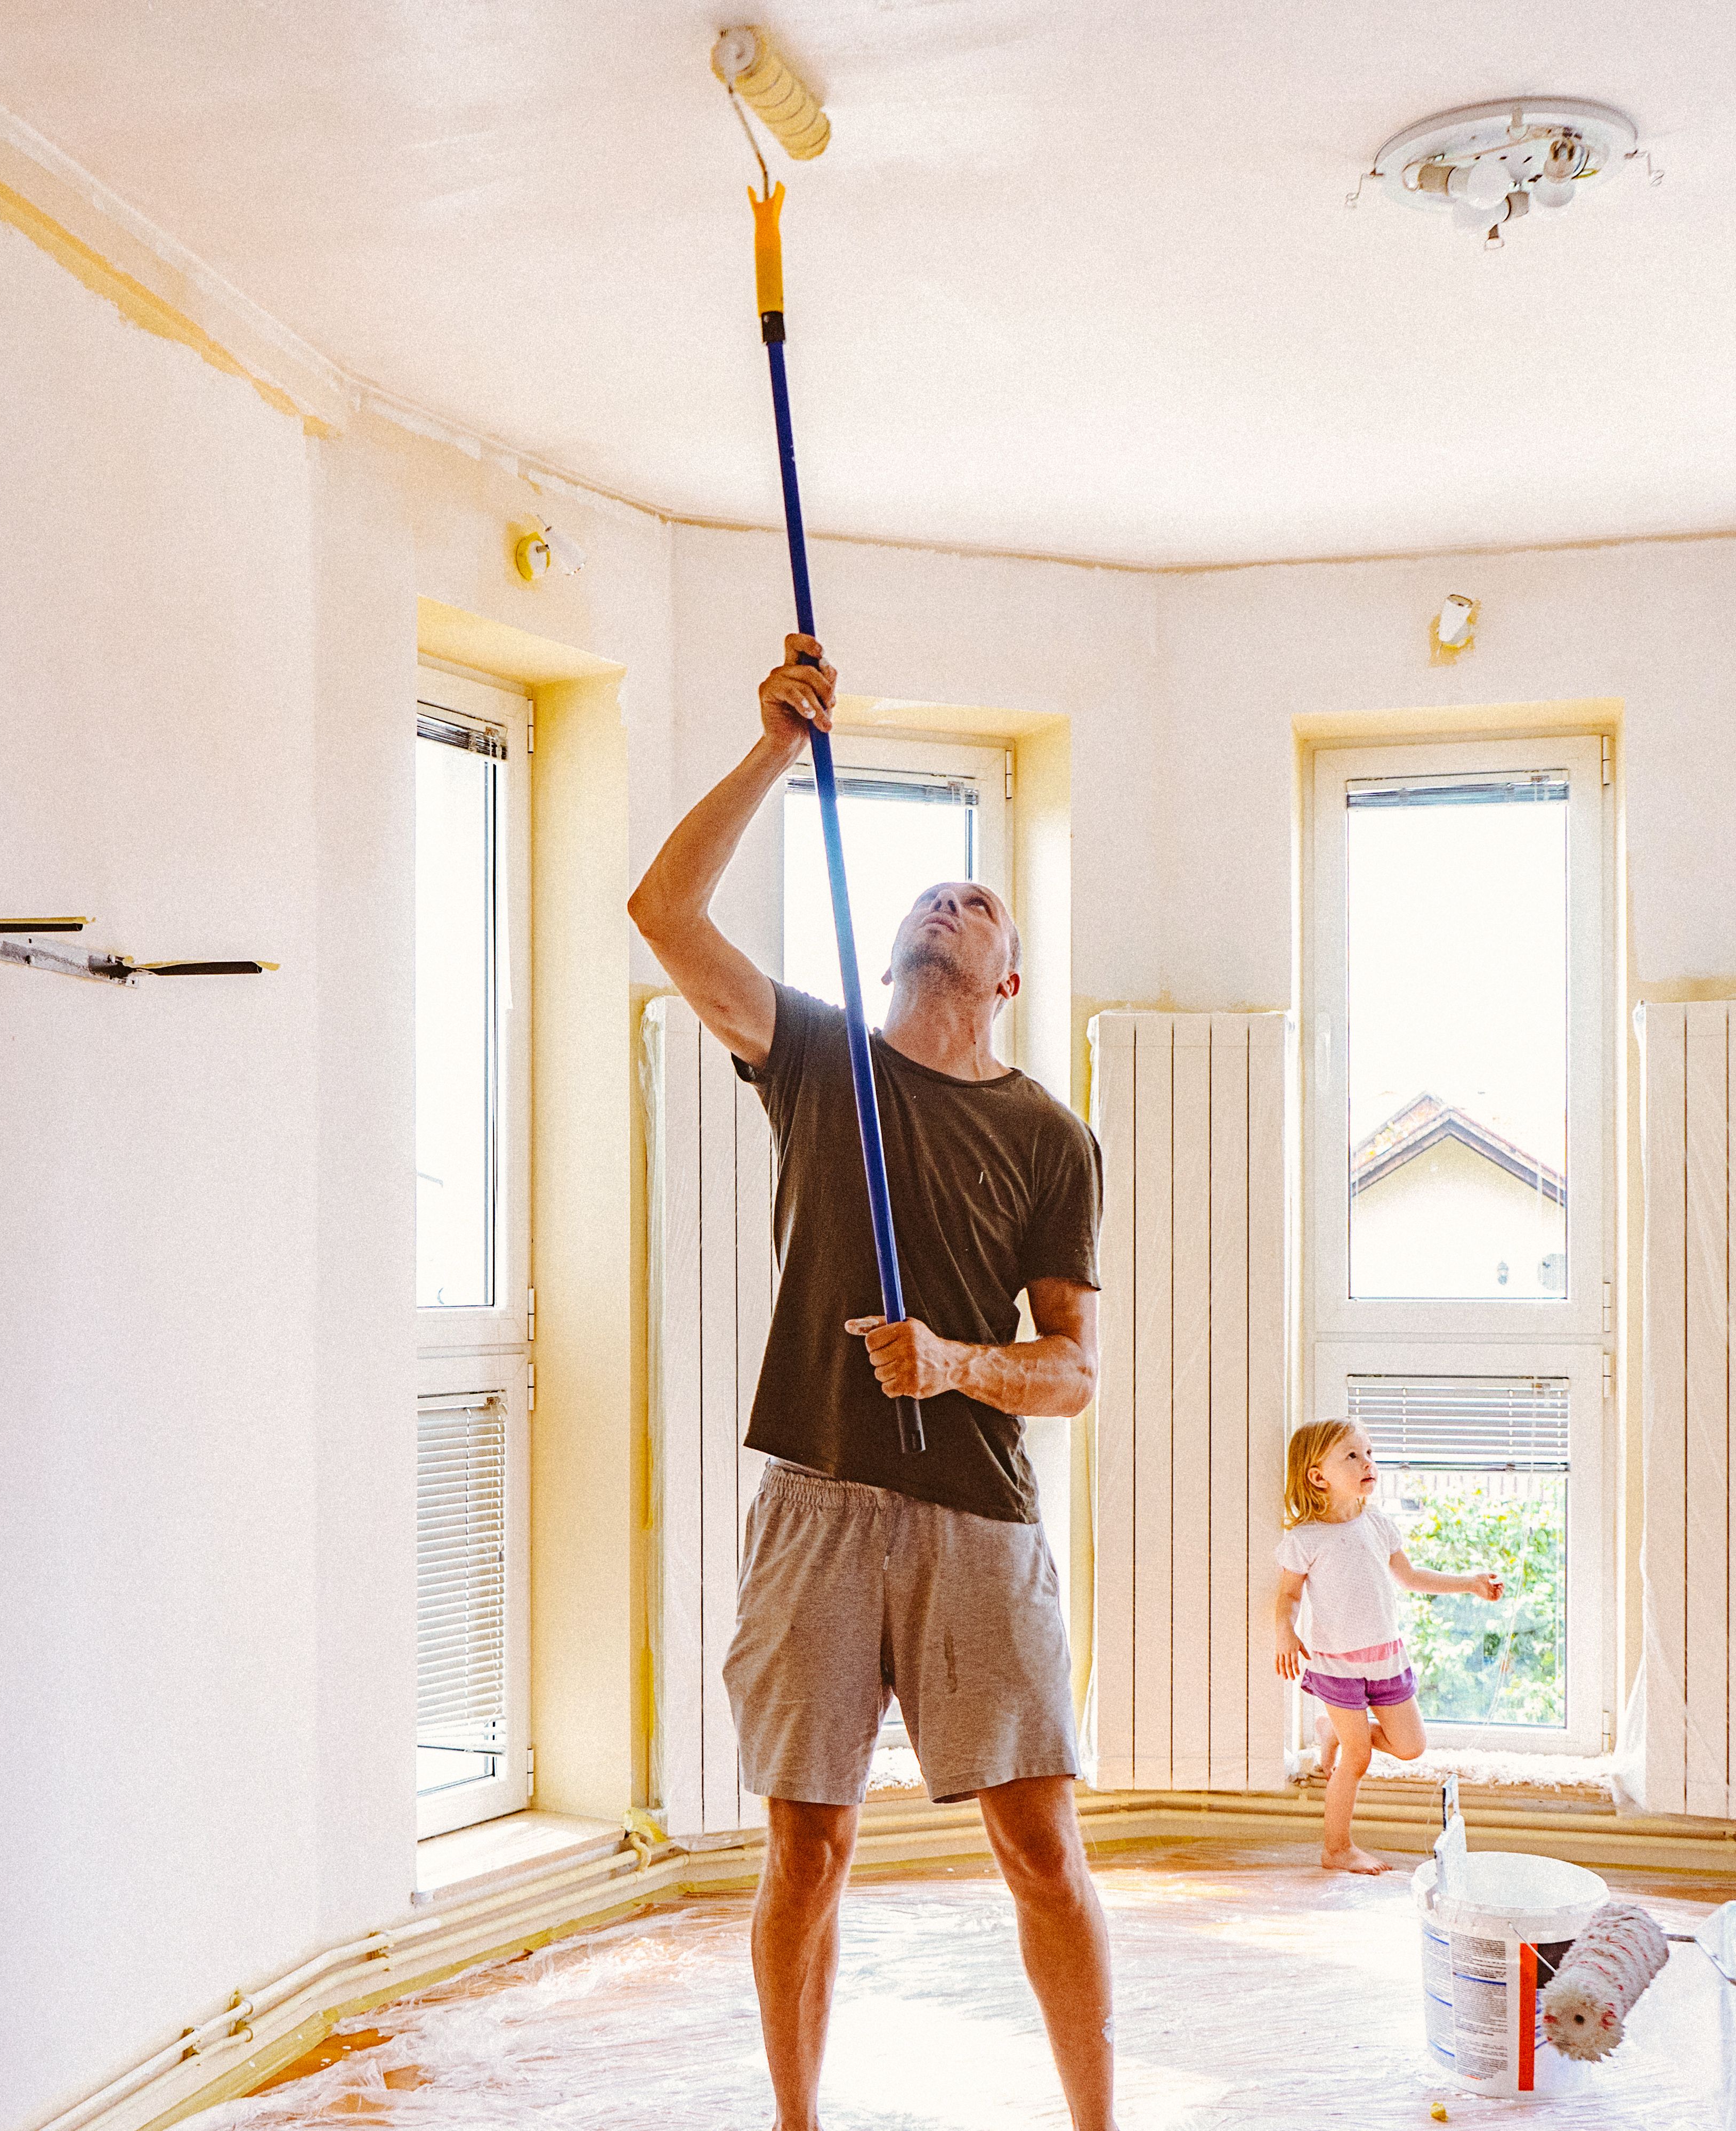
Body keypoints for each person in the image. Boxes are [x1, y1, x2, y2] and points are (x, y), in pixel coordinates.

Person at [627, 634, 1114, 2131]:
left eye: (979, 899)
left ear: (1009, 972)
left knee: (1040, 1848)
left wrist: (960, 1363)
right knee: (807, 1853)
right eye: (929, 892)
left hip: (977, 1512)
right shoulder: (816, 1057)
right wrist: (778, 745)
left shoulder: (1051, 1138)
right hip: (819, 1502)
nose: (946, 898)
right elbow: (662, 911)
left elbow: (1073, 1373)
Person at [1268, 1419, 1504, 1874]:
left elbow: (1412, 1577)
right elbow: (1289, 1596)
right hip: (1337, 1666)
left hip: (1386, 1659)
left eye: (1370, 1453)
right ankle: (1337, 1848)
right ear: (1318, 1476)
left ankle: (1335, 1730)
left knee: (1410, 1745)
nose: (1368, 1462)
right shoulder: (1304, 1539)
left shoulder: (1378, 1524)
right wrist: (1285, 1631)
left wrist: (1470, 1584)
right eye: (1352, 1456)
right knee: (1358, 1758)